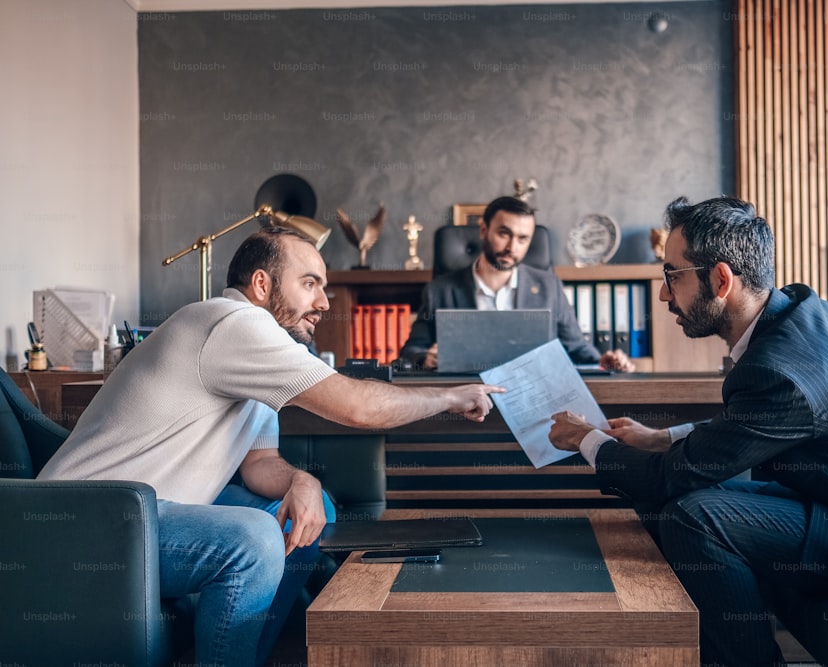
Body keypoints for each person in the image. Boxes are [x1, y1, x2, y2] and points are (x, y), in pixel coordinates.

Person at [37, 227, 501, 667]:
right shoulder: (231, 323)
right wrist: (452, 395)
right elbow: (358, 406)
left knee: (310, 507)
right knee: (254, 541)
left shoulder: (261, 346)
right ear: (262, 283)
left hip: (149, 509)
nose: (323, 302)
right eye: (310, 284)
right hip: (87, 520)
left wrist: (301, 480)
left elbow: (260, 464)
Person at [548, 196, 828, 667]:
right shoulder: (803, 311)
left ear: (721, 279)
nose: (664, 295)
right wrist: (662, 438)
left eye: (672, 275)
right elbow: (753, 430)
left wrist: (585, 438)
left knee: (695, 513)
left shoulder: (780, 371)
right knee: (700, 492)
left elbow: (670, 477)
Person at [399, 195, 634, 371]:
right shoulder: (440, 291)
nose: (512, 247)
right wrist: (424, 359)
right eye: (504, 233)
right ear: (483, 230)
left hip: (533, 395)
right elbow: (409, 353)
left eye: (523, 238)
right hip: (466, 398)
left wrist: (604, 361)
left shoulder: (549, 287)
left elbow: (577, 349)